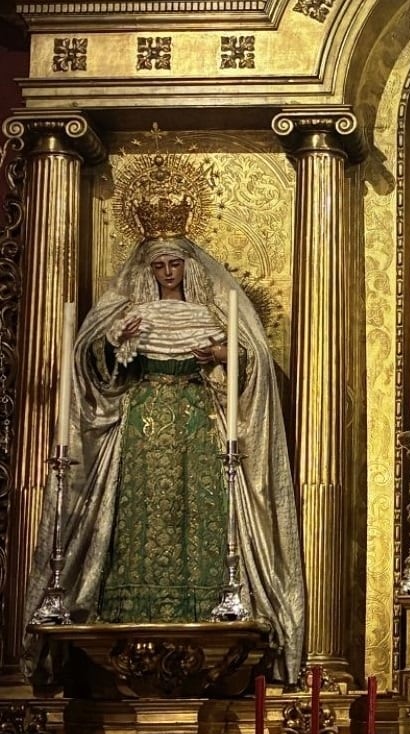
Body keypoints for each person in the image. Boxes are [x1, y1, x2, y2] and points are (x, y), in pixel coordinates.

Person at [23, 233, 306, 683]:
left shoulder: (210, 314)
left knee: (199, 510)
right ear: (149, 272)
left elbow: (249, 362)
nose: (168, 273)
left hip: (198, 425)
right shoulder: (131, 314)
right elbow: (97, 364)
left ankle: (215, 601)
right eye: (160, 266)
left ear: (188, 268)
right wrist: (118, 344)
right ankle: (133, 611)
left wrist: (219, 353)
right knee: (142, 512)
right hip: (141, 423)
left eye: (175, 264)